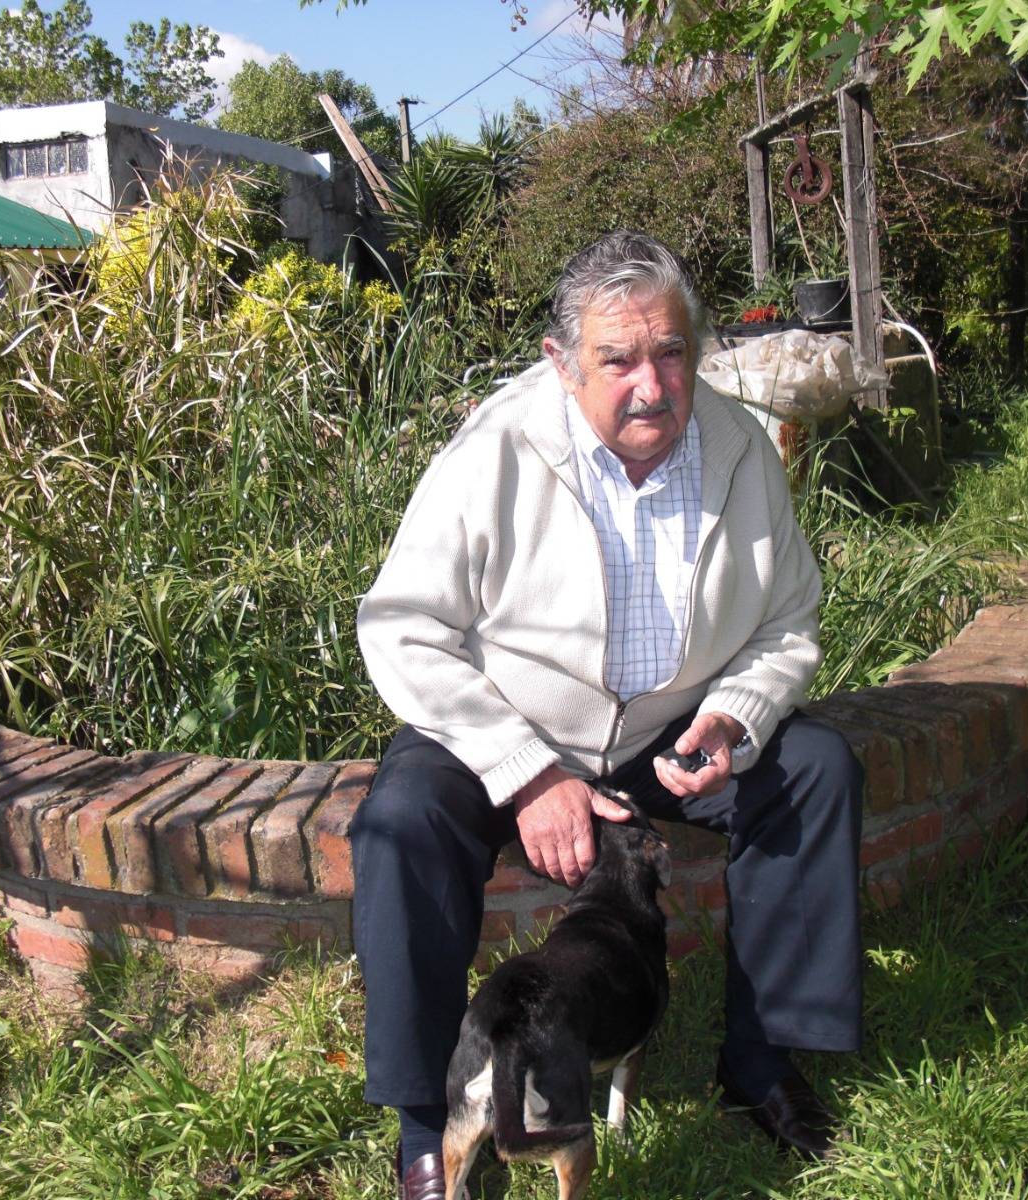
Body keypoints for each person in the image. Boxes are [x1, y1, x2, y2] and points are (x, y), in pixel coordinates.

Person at [351, 230, 865, 1200]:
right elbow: (402, 627)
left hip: (665, 737)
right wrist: (526, 771)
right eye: (617, 359)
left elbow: (789, 616)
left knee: (814, 772)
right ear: (559, 363)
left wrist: (734, 715)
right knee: (400, 819)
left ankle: (758, 1065)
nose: (651, 385)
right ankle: (429, 1123)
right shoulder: (494, 450)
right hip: (505, 730)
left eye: (670, 352)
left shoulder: (739, 447)